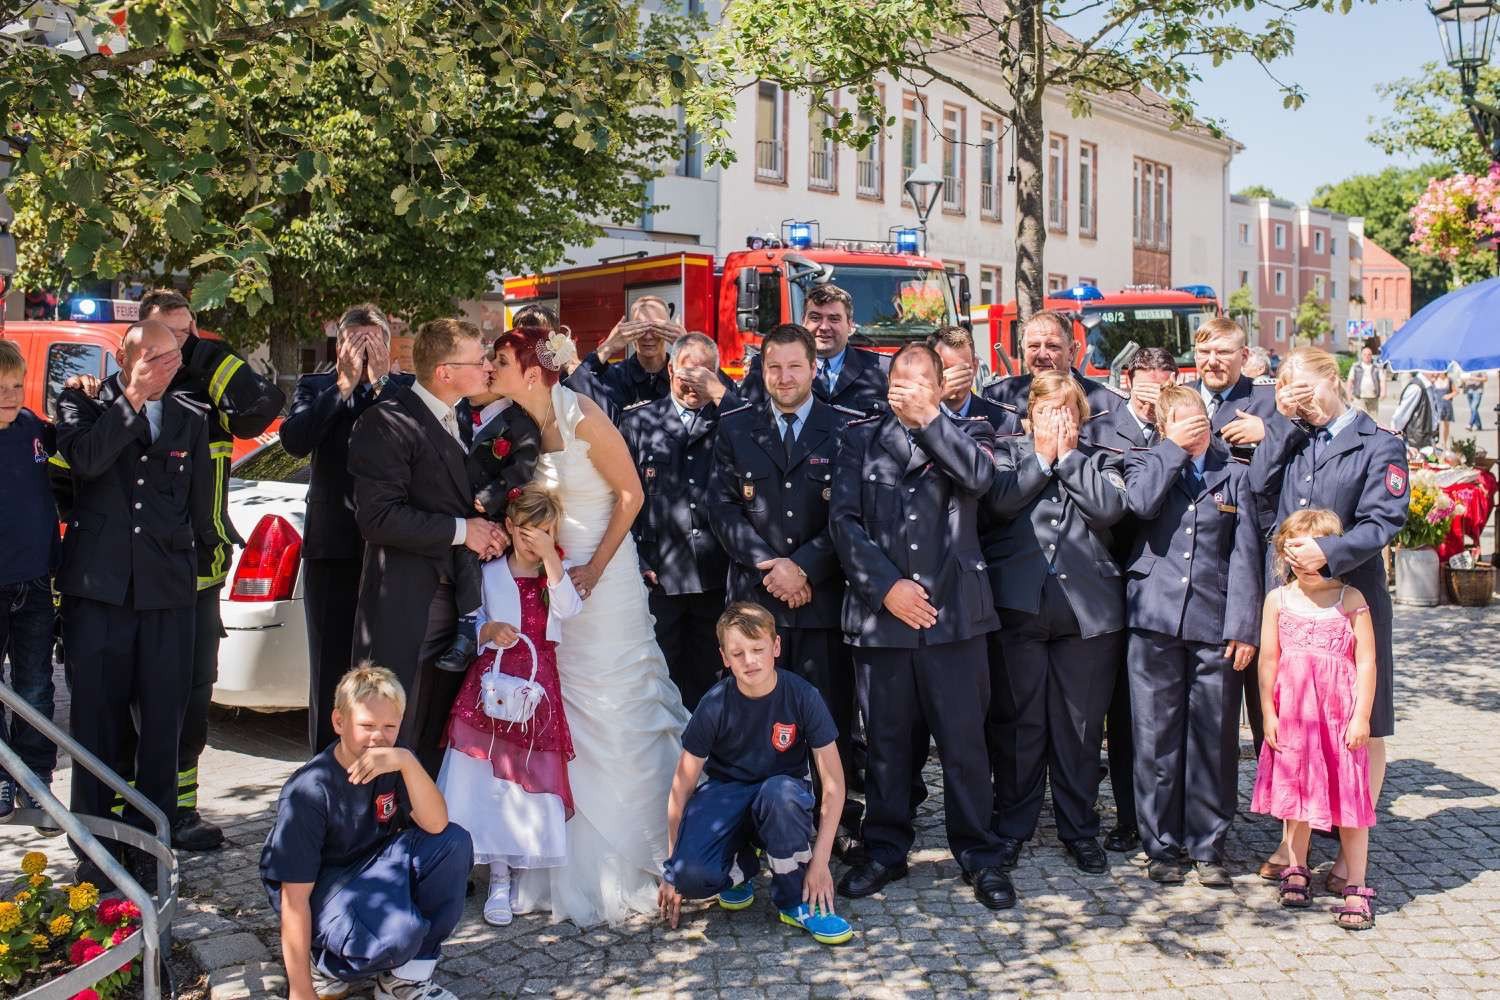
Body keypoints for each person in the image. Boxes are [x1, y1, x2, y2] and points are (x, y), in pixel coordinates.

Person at [485, 318, 690, 926]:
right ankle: (563, 857)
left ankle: (649, 855)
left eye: (500, 361)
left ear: (530, 369)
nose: (493, 371)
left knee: (618, 703)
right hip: (555, 583)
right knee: (566, 706)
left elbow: (630, 495)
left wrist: (595, 570)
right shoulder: (519, 426)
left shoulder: (582, 415)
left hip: (605, 578)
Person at [830, 343, 1015, 910]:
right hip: (884, 619)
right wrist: (887, 588)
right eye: (899, 377)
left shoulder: (971, 431)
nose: (906, 387)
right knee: (886, 744)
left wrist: (932, 420)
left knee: (964, 745)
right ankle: (885, 849)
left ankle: (979, 854)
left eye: (920, 379)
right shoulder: (859, 439)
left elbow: (983, 480)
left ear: (939, 386)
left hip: (954, 617)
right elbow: (844, 521)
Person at [120, 288, 284, 851]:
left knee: (192, 696)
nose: (183, 347)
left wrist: (211, 356)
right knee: (135, 697)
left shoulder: (207, 378)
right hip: (141, 581)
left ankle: (180, 809)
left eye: (189, 333)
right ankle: (128, 808)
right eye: (173, 336)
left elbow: (263, 407)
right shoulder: (125, 397)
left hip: (201, 573)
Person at [53, 320, 214, 886]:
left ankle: (153, 847)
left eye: (176, 356)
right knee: (96, 725)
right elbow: (88, 463)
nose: (174, 365)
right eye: (161, 357)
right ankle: (95, 853)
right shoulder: (82, 407)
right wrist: (134, 398)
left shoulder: (191, 418)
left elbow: (196, 507)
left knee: (162, 726)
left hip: (166, 594)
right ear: (132, 358)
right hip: (99, 592)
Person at [1248, 346, 1406, 895]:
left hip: (1353, 599)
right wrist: (1281, 423)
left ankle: (1349, 840)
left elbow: (1385, 518)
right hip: (1297, 604)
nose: (1295, 395)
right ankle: (1294, 846)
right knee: (1297, 720)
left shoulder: (1379, 443)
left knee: (1365, 723)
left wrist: (1329, 553)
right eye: (1284, 386)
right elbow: (1259, 489)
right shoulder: (1297, 438)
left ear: (1333, 379)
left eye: (1303, 385)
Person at [711, 323, 861, 839]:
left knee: (825, 714)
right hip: (758, 603)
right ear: (761, 370)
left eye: (795, 365)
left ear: (814, 369)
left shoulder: (845, 428)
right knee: (753, 717)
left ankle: (826, 824)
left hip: (821, 598)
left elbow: (849, 513)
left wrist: (805, 567)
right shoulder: (734, 427)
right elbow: (723, 509)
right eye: (773, 366)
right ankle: (753, 827)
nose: (784, 376)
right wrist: (772, 566)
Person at [982, 371, 1129, 878]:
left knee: (1080, 728)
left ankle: (1078, 826)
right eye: (1046, 412)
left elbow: (1108, 509)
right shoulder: (1004, 455)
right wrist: (1042, 457)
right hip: (1018, 607)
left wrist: (1067, 458)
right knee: (1019, 723)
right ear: (1028, 416)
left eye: (1066, 412)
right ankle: (1012, 825)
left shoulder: (1102, 459)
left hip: (1088, 614)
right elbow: (998, 503)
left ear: (1081, 417)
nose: (1056, 421)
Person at [349, 318, 506, 775]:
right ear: (444, 371)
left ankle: (418, 822)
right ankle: (381, 827)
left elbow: (448, 497)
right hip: (407, 598)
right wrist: (463, 531)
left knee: (432, 729)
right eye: (479, 361)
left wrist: (483, 530)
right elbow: (376, 517)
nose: (488, 369)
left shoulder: (455, 415)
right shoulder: (387, 420)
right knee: (396, 723)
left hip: (451, 597)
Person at [261, 664, 473, 1000]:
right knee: (400, 934)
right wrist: (299, 990)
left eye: (389, 726)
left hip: (371, 868)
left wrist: (407, 761)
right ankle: (324, 963)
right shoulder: (308, 791)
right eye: (367, 726)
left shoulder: (394, 759)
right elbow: (294, 898)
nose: (378, 737)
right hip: (323, 888)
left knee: (453, 843)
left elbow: (436, 825)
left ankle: (404, 979)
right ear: (339, 722)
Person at [1122, 384, 1263, 886]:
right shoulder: (1145, 463)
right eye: (1182, 420)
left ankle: (1208, 845)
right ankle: (1160, 846)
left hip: (1213, 620)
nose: (1195, 427)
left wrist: (1244, 625)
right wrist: (1171, 451)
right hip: (1154, 617)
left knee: (1215, 736)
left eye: (1199, 417)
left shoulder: (1235, 474)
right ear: (1164, 426)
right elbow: (1138, 505)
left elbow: (1246, 554)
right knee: (1155, 736)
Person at [657, 603, 854, 945]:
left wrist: (820, 862)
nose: (750, 660)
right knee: (689, 878)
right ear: (724, 657)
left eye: (758, 649)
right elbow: (682, 785)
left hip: (781, 797)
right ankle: (742, 866)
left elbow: (835, 785)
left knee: (781, 795)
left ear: (776, 647)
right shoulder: (715, 703)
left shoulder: (803, 696)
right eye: (738, 653)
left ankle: (796, 900)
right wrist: (673, 864)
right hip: (727, 793)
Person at [436, 485, 583, 926]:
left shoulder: (556, 572)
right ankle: (497, 876)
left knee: (525, 776)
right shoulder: (490, 571)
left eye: (542, 532)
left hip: (538, 685)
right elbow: (474, 621)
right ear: (510, 529)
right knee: (487, 777)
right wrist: (488, 631)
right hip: (493, 682)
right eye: (524, 531)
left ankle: (521, 872)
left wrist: (551, 559)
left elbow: (570, 609)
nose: (531, 540)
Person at [282, 304, 414, 754]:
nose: (361, 351)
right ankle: (324, 764)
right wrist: (341, 386)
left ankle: (383, 766)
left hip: (391, 546)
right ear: (338, 345)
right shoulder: (315, 386)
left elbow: (411, 439)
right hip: (332, 545)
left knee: (385, 664)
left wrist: (377, 384)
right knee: (330, 667)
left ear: (389, 343)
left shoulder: (404, 390)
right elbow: (295, 440)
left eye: (371, 342)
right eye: (352, 342)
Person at [1251, 510, 1378, 930]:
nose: (1303, 567)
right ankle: (1296, 866)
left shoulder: (1351, 601)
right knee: (1296, 797)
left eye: (1311, 558)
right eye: (1294, 558)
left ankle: (1356, 884)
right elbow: (1269, 660)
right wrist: (1268, 712)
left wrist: (1361, 717)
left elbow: (1366, 663)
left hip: (1339, 720)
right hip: (1295, 718)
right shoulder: (1278, 600)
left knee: (1349, 801)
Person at [1091, 346, 1181, 855]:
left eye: (1165, 375)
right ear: (1127, 379)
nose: (1155, 384)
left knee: (1149, 714)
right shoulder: (1103, 428)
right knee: (1116, 714)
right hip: (1108, 582)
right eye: (1146, 375)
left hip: (1160, 589)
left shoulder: (1182, 424)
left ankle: (1157, 815)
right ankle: (1126, 815)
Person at [620, 332, 736, 709]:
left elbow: (758, 435)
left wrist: (722, 395)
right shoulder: (639, 423)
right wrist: (635, 558)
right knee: (657, 678)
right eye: (689, 371)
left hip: (714, 575)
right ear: (670, 369)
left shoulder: (732, 419)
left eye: (707, 373)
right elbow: (620, 497)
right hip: (659, 577)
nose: (696, 382)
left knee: (710, 680)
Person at [0, 340, 59, 820]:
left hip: (35, 582)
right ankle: (2, 777)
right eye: (1, 387)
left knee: (35, 684)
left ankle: (35, 778)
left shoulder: (34, 429)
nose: (11, 394)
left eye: (17, 385)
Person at [736, 284, 889, 416]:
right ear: (803, 321)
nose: (824, 327)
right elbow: (745, 421)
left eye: (834, 319)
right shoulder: (766, 367)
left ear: (850, 324)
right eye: (815, 318)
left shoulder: (882, 370)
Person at [561, 296, 684, 418]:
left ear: (669, 329)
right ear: (629, 330)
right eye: (640, 328)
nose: (648, 336)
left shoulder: (682, 375)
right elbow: (571, 393)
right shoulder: (614, 375)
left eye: (656, 328)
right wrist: (606, 348)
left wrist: (687, 348)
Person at [929, 325, 1019, 433]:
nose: (955, 377)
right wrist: (934, 399)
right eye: (946, 369)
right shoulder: (917, 418)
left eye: (962, 369)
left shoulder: (1005, 422)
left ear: (975, 367)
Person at [1391, 370, 1436, 452]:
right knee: (1417, 464)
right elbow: (1401, 416)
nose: (1436, 374)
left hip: (1425, 439)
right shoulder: (1416, 388)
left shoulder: (1428, 386)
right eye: (1433, 371)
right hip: (1415, 442)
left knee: (1427, 463)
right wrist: (1395, 437)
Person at [1345, 346, 1385, 420]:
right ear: (1362, 355)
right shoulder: (1355, 367)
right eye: (1365, 354)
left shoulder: (1377, 367)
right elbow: (1350, 381)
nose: (1367, 356)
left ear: (1371, 356)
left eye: (1369, 354)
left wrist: (1383, 392)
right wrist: (1348, 394)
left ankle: (1372, 431)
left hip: (1373, 396)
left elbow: (1382, 380)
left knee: (1374, 419)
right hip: (1359, 397)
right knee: (1360, 418)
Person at [1432, 368, 1456, 450]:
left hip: (1446, 405)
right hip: (1436, 405)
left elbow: (1455, 391)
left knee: (1446, 425)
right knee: (1436, 425)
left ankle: (1445, 443)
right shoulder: (1434, 380)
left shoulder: (1449, 380)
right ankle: (1436, 443)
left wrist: (1449, 396)